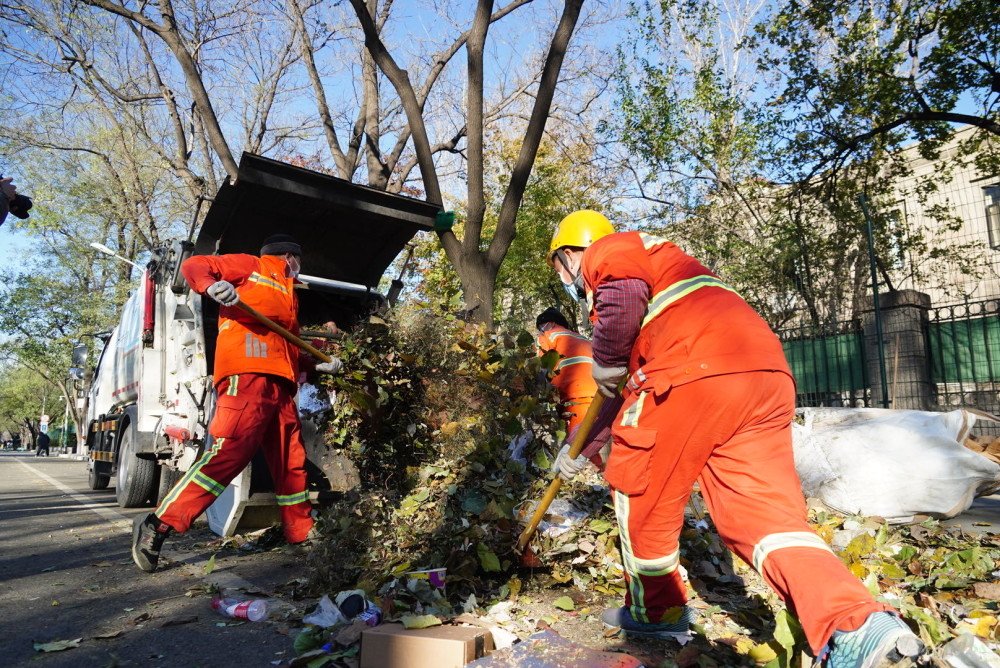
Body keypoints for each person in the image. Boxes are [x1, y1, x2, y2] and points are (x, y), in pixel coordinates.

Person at [547, 211, 925, 668]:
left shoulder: (611, 249)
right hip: (762, 376)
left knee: (640, 493)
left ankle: (657, 614)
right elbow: (618, 392)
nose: (567, 280)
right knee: (763, 517)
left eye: (559, 268)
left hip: (690, 374)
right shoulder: (668, 279)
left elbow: (620, 303)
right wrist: (578, 450)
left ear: (568, 254)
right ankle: (857, 624)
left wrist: (606, 357)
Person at [131, 234, 342, 573]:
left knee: (291, 461)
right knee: (227, 455)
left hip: (281, 386)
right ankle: (158, 525)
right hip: (245, 377)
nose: (299, 269)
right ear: (290, 257)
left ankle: (301, 532)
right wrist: (211, 286)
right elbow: (194, 265)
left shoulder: (288, 295)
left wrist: (316, 364)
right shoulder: (252, 266)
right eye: (298, 263)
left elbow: (285, 345)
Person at [535, 307, 605, 471]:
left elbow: (538, 368)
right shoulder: (583, 339)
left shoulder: (548, 335)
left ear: (550, 323)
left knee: (579, 452)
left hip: (576, 397)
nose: (540, 330)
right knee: (591, 443)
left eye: (540, 326)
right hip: (601, 397)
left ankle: (590, 480)